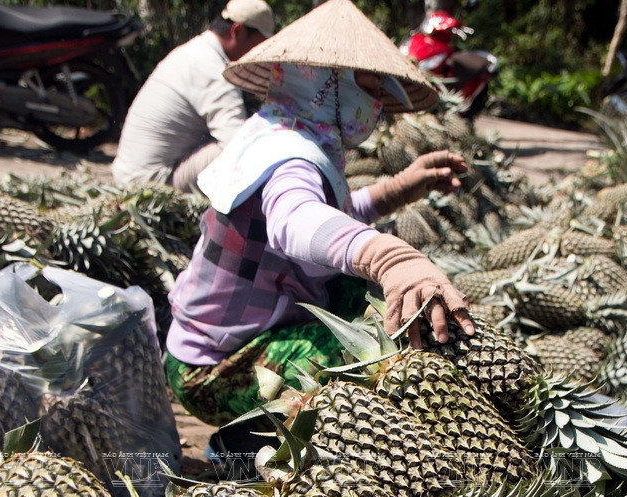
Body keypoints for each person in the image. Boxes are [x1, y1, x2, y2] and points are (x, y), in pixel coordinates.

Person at [163, 0, 476, 462]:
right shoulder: (291, 155)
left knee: (375, 302)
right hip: (216, 368)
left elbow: (325, 215)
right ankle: (242, 445)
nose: (375, 105)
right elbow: (296, 222)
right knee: (379, 358)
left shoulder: (278, 129)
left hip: (224, 340)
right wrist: (393, 258)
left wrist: (399, 188)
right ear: (324, 81)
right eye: (368, 87)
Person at [111, 0, 274, 193]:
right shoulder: (211, 69)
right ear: (237, 31)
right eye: (257, 45)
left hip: (128, 173)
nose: (258, 54)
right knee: (242, 149)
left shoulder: (194, 52)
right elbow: (235, 141)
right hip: (148, 183)